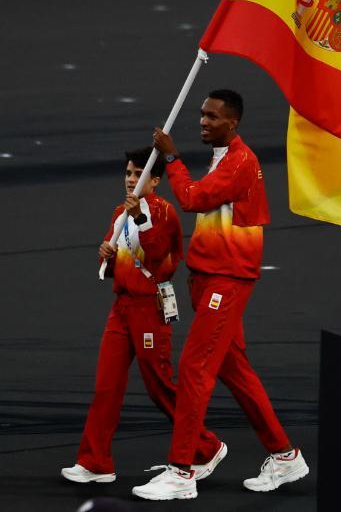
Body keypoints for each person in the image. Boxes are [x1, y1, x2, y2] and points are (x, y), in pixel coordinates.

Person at [131, 89, 307, 501]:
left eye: (212, 117)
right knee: (235, 371)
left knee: (194, 368)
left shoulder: (241, 162)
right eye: (201, 115)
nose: (202, 122)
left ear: (234, 123)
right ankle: (285, 456)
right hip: (210, 277)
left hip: (226, 280)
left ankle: (181, 471)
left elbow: (192, 198)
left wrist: (172, 159)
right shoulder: (224, 158)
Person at [61, 148, 226, 484]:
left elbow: (160, 259)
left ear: (155, 180)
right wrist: (105, 255)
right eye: (128, 173)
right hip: (121, 308)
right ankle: (96, 462)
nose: (131, 180)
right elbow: (114, 264)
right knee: (106, 386)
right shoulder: (119, 212)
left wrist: (140, 219)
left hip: (150, 308)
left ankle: (207, 447)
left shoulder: (164, 214)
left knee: (159, 387)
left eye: (139, 174)